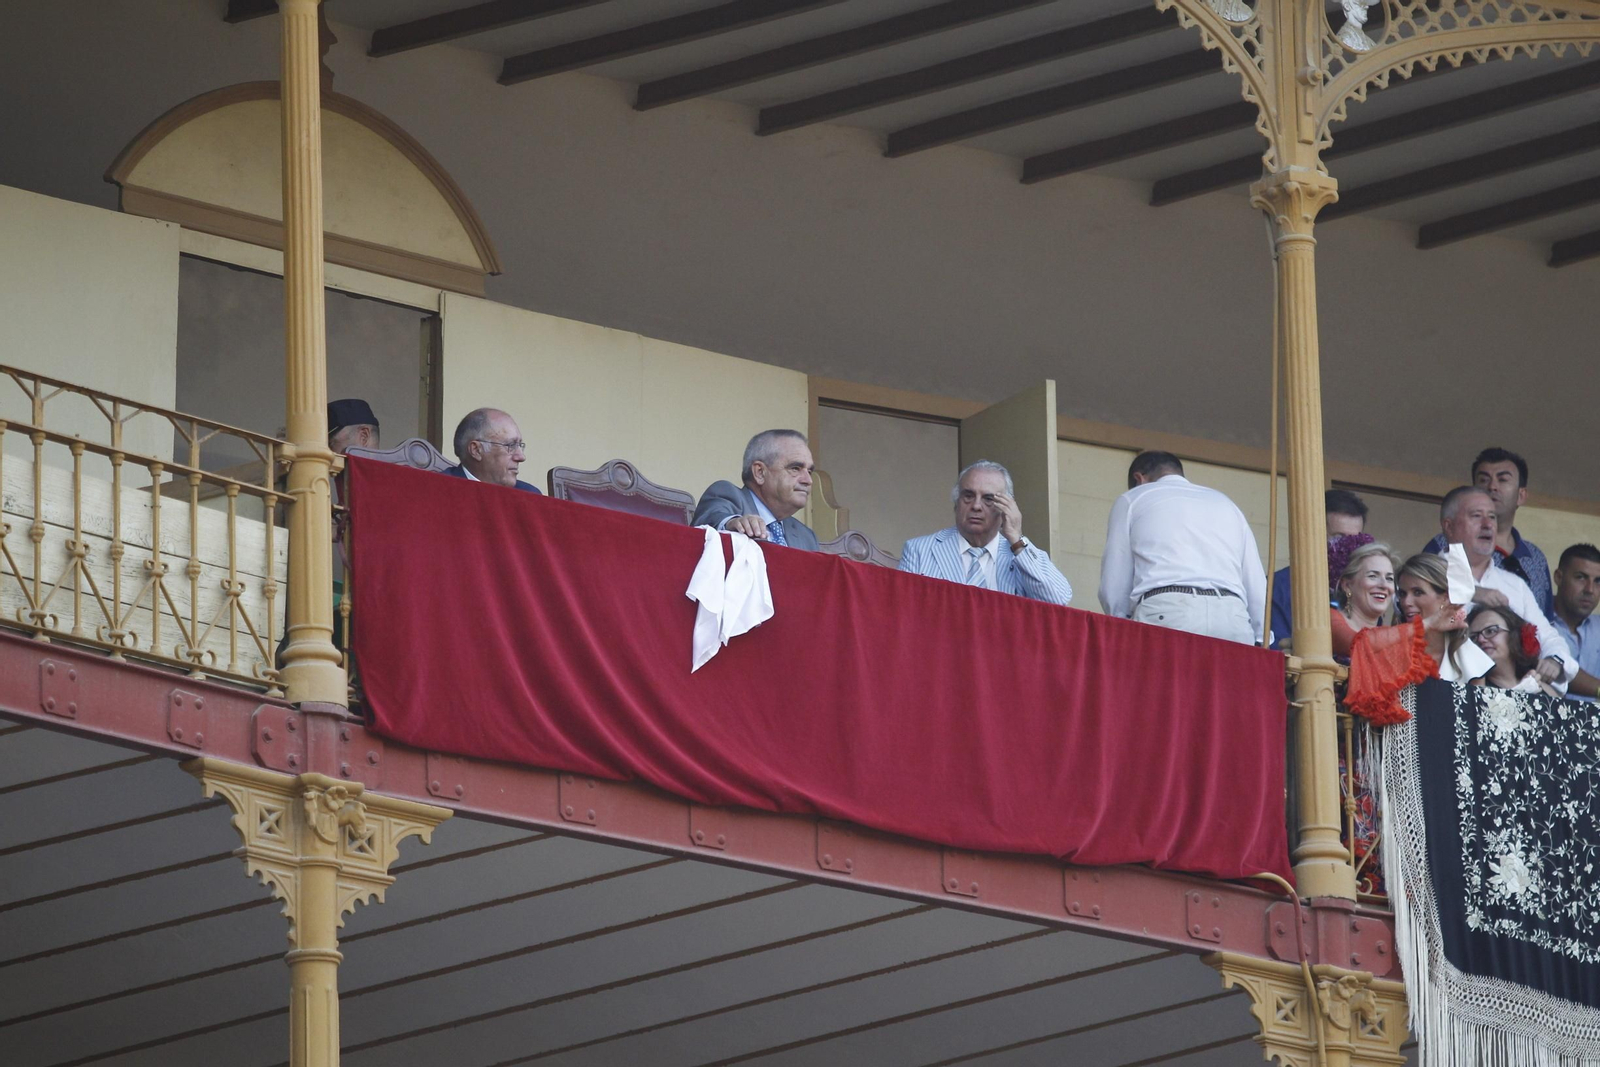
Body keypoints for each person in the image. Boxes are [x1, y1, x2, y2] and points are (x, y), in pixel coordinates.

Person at [1098, 450, 1266, 645]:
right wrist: (1261, 637)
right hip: (1233, 618)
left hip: (1167, 611)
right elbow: (1255, 580)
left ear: (1139, 479)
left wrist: (1120, 626)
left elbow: (1115, 579)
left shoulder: (1133, 498)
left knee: (1163, 677)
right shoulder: (1226, 504)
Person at [1433, 486, 1572, 688]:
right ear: (1449, 526)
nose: (1487, 524)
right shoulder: (1425, 576)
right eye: (1476, 516)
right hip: (1445, 693)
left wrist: (1555, 660)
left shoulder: (1514, 585)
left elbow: (1547, 636)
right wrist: (1472, 593)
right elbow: (1420, 625)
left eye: (1492, 517)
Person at [898, 461, 1073, 606]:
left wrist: (1016, 539)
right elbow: (903, 610)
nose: (976, 506)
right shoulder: (919, 550)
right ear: (956, 502)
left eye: (988, 499)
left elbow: (1058, 600)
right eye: (968, 496)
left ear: (1006, 507)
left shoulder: (1019, 553)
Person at [1423, 447, 1551, 615]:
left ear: (1521, 495)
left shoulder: (1536, 557)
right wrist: (1472, 592)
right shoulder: (1443, 544)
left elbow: (1546, 624)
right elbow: (1419, 591)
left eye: (1503, 480)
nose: (1492, 487)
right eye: (1483, 480)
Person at [1270, 489, 1367, 651]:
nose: (1348, 548)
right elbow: (1275, 650)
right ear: (1314, 534)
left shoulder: (1366, 589)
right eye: (1338, 538)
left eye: (1355, 540)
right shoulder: (1278, 587)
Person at [691, 429, 819, 550]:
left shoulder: (807, 537)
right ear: (760, 472)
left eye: (809, 471)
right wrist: (731, 523)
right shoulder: (728, 495)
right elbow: (709, 521)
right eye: (795, 468)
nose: (808, 480)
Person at [1395, 553, 1488, 682]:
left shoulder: (1468, 655)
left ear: (1445, 598)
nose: (1406, 602)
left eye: (1418, 592)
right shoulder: (1392, 647)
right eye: (1402, 594)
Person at [1468, 604, 1561, 698]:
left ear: (1515, 636)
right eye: (1473, 638)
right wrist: (1522, 690)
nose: (1480, 639)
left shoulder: (1545, 689)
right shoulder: (1475, 687)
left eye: (1490, 631)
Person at [444, 408, 541, 492]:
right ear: (476, 450)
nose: (521, 457)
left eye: (520, 445)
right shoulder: (439, 489)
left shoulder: (529, 495)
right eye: (511, 445)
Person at [1330, 541, 1396, 659]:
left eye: (1389, 578)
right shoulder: (1331, 618)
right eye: (1372, 576)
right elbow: (1359, 646)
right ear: (1347, 585)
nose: (1384, 585)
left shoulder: (1387, 636)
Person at [1551, 543, 1600, 702]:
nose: (1590, 589)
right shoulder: (1537, 621)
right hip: (1545, 722)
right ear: (1559, 577)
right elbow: (1555, 671)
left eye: (1598, 581)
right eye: (1580, 577)